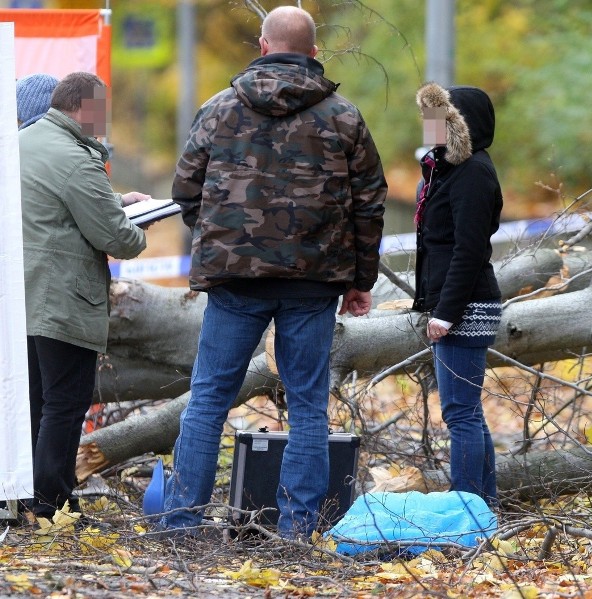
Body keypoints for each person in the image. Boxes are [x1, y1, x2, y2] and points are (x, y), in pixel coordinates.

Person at [160, 5, 386, 540]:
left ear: (262, 46)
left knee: (210, 395)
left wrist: (222, 241)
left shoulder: (218, 110)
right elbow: (370, 204)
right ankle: (296, 527)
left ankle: (181, 521)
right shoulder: (344, 116)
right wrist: (361, 279)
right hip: (313, 281)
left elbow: (185, 190)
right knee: (308, 405)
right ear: (313, 52)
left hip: (236, 281)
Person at [19, 71, 148, 523]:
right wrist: (138, 226)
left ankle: (25, 500)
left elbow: (56, 204)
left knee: (34, 401)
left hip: (23, 296)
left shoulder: (25, 140)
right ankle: (49, 505)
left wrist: (115, 200)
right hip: (63, 298)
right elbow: (118, 238)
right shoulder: (77, 159)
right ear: (84, 108)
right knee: (65, 403)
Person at [413, 82, 503, 508]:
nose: (428, 125)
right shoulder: (447, 171)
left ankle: (466, 507)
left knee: (460, 414)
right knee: (467, 411)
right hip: (459, 304)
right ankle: (483, 505)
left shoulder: (473, 174)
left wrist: (446, 312)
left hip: (467, 307)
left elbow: (470, 250)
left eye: (438, 117)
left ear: (458, 125)